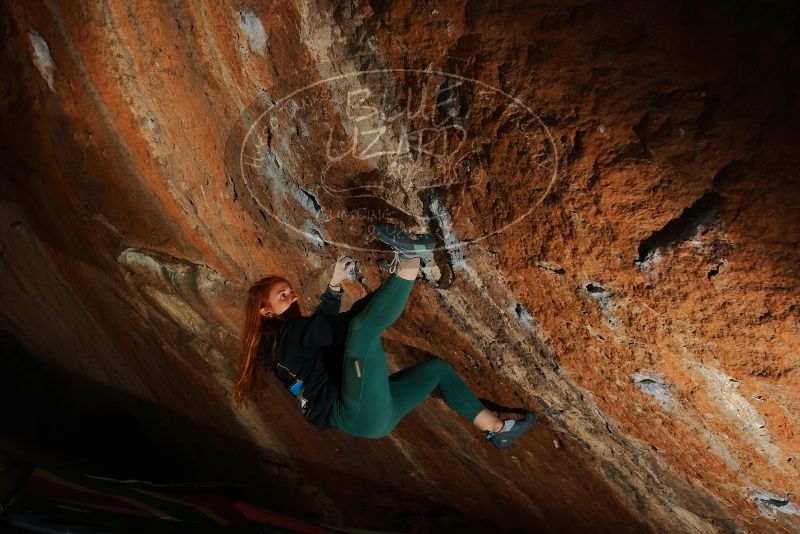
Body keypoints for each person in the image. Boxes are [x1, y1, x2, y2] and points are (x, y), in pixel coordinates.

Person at [233, 223, 535, 449]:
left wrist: (336, 286)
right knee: (362, 331)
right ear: (265, 311)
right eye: (282, 295)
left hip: (373, 418)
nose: (292, 295)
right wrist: (398, 278)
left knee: (437, 371)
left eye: (290, 290)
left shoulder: (285, 344)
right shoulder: (289, 337)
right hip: (356, 410)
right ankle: (411, 258)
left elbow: (321, 332)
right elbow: (346, 325)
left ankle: (499, 430)